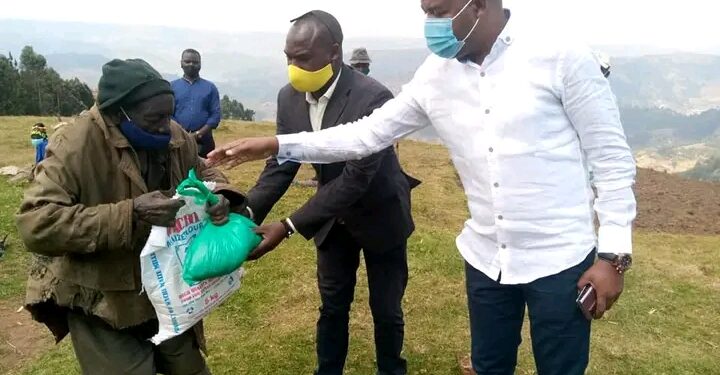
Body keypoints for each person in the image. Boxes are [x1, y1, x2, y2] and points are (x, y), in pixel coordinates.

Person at [208, 1, 637, 374]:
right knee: (489, 366)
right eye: (424, 11)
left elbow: (611, 159)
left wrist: (613, 257)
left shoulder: (560, 55)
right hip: (487, 258)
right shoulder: (436, 75)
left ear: (479, 5)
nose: (429, 24)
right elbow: (366, 134)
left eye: (438, 11)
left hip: (560, 259)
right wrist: (280, 144)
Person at [16, 58, 248, 375]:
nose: (167, 126)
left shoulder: (174, 134)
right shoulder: (76, 144)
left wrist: (222, 195)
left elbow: (205, 170)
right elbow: (36, 223)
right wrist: (130, 214)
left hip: (166, 292)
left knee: (191, 369)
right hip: (101, 298)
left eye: (170, 115)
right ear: (118, 112)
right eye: (155, 118)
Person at [242, 10, 419, 375]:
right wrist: (246, 214)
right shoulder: (289, 98)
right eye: (288, 57)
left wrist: (288, 225)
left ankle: (391, 369)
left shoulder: (373, 97)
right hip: (332, 220)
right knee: (333, 305)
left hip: (380, 213)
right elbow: (282, 164)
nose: (293, 66)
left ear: (334, 53)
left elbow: (357, 178)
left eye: (302, 57)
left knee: (386, 309)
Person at [171, 49, 222, 158]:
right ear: (181, 63)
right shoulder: (172, 87)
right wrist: (181, 133)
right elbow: (168, 114)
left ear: (200, 64)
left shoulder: (210, 88)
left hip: (204, 142)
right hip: (177, 140)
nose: (191, 65)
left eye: (195, 62)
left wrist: (198, 134)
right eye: (187, 61)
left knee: (204, 172)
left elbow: (215, 115)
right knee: (179, 172)